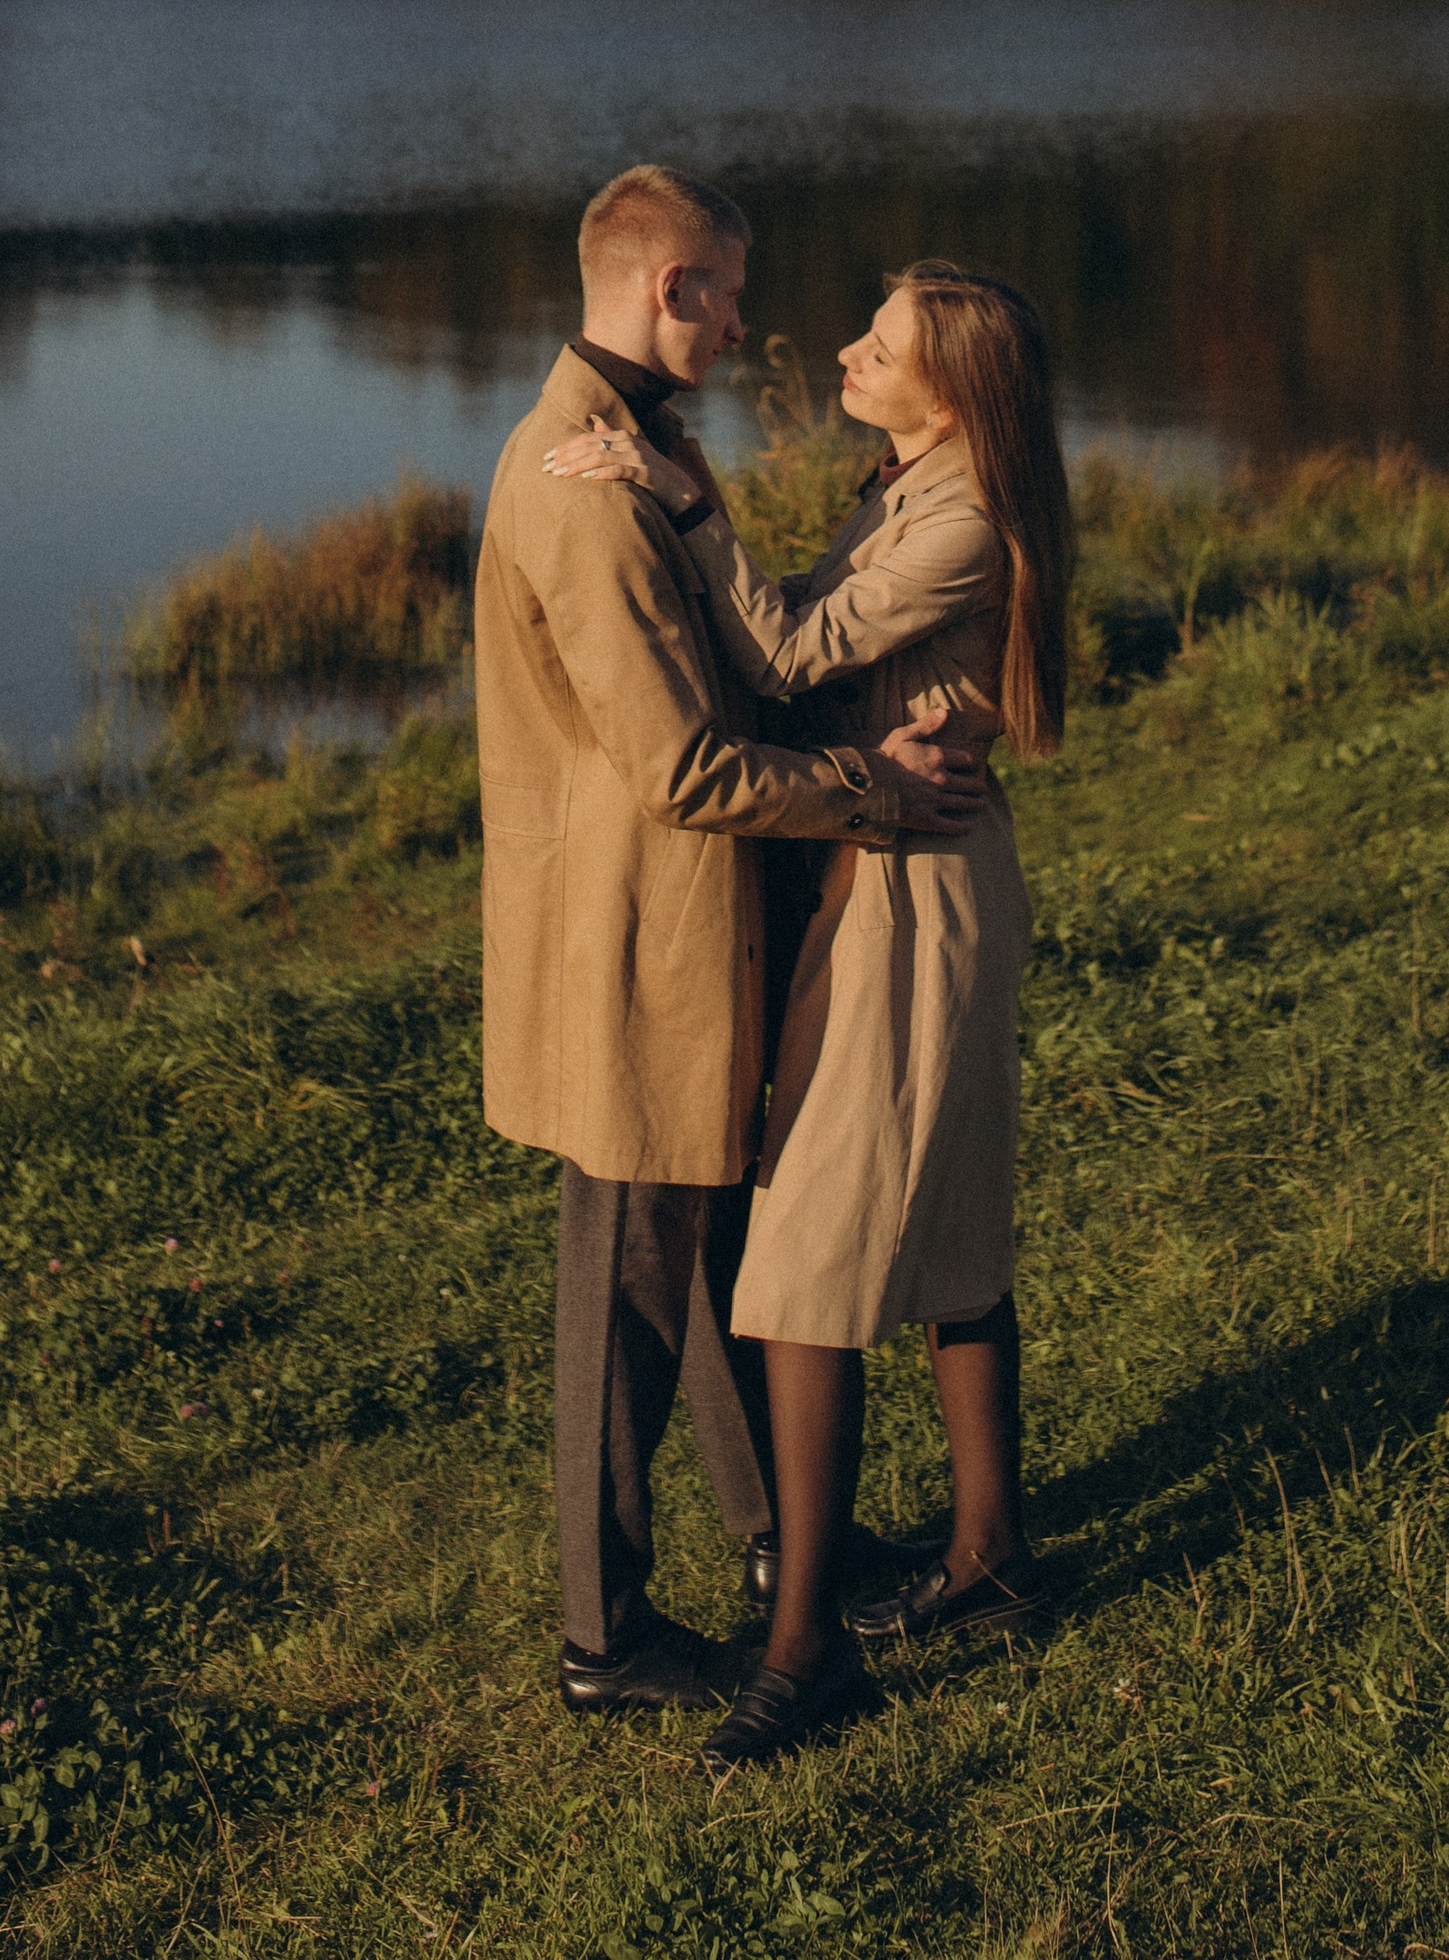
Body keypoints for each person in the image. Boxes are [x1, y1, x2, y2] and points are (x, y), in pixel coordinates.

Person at [546, 257, 1071, 1771]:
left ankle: (807, 1651)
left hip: (912, 893)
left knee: (799, 1268)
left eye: (879, 342)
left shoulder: (962, 514)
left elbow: (783, 650)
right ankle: (991, 1559)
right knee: (954, 1234)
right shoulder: (916, 480)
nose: (842, 350)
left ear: (952, 385)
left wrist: (677, 496)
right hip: (903, 866)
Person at [476, 166, 985, 1718]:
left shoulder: (635, 437)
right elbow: (684, 769)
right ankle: (604, 1641)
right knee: (626, 1286)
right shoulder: (587, 485)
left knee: (701, 1263)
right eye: (732, 292)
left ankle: (781, 1546)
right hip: (632, 944)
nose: (752, 321)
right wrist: (873, 792)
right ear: (668, 287)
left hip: (681, 933)